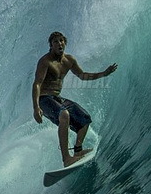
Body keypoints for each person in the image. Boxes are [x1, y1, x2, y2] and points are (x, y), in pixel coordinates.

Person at [32, 32, 117, 167]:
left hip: (56, 98)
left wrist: (103, 74)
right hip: (44, 99)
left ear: (65, 43)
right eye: (55, 42)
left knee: (85, 118)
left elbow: (82, 75)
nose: (59, 44)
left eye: (61, 41)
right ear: (51, 46)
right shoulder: (45, 61)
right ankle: (66, 158)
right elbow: (37, 83)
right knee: (64, 114)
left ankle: (77, 150)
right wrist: (36, 107)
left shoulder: (69, 60)